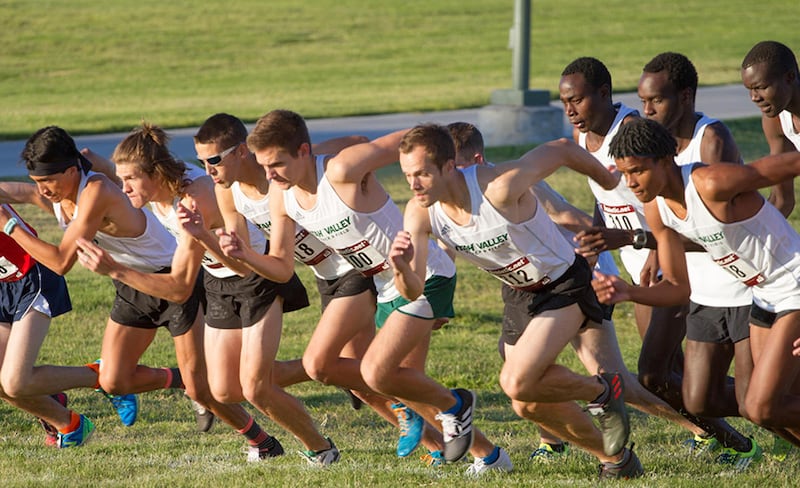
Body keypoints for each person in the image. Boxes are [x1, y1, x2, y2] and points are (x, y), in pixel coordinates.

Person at [243, 109, 510, 475]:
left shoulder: (342, 170)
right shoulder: (282, 196)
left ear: (304, 151)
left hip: (424, 275)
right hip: (385, 287)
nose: (269, 175)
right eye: (263, 166)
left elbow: (408, 139)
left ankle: (457, 405)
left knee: (381, 375)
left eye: (277, 164)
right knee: (395, 385)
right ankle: (490, 456)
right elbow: (282, 266)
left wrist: (449, 165)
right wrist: (241, 254)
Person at [75, 123, 339, 465]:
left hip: (256, 278)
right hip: (218, 282)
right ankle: (327, 368)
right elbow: (128, 171)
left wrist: (116, 270)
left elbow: (181, 287)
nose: (122, 188)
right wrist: (93, 162)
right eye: (120, 178)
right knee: (224, 390)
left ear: (155, 174)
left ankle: (321, 448)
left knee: (255, 388)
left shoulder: (192, 200)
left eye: (129, 180)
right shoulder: (157, 187)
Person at [394, 123, 643, 479]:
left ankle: (604, 391)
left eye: (422, 174)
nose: (414, 185)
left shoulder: (498, 187)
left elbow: (561, 148)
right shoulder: (420, 212)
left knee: (514, 380)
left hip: (564, 284)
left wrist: (608, 180)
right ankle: (615, 458)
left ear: (449, 167)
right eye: (407, 175)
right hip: (521, 295)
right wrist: (402, 268)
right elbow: (413, 290)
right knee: (526, 403)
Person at [193, 113, 441, 462]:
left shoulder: (291, 169)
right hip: (327, 277)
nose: (208, 170)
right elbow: (247, 266)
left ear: (242, 151)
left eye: (214, 159)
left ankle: (426, 407)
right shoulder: (230, 194)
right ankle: (437, 444)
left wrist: (324, 158)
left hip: (356, 270)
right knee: (360, 380)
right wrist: (219, 245)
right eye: (201, 162)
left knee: (329, 366)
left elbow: (357, 144)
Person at [560, 57, 736, 453]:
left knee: (660, 372)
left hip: (674, 257)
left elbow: (669, 199)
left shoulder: (635, 132)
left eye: (578, 100)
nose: (570, 110)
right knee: (667, 371)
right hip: (639, 256)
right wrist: (596, 241)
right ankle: (720, 433)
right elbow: (603, 196)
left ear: (603, 94)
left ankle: (739, 430)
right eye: (565, 102)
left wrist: (654, 245)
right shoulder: (582, 137)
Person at [592, 117, 800, 451]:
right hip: (763, 295)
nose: (630, 182)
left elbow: (785, 165)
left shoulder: (710, 182)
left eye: (638, 170)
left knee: (762, 406)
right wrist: (629, 292)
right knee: (759, 408)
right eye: (624, 173)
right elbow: (678, 288)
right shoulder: (657, 209)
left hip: (793, 285)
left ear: (665, 161)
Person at [0, 126, 209, 446]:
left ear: (71, 171)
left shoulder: (94, 192)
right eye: (37, 181)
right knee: (114, 381)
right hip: (130, 283)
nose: (41, 189)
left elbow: (60, 262)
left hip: (170, 278)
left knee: (206, 388)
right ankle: (180, 380)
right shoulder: (57, 192)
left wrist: (10, 226)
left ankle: (255, 436)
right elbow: (22, 192)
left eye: (47, 181)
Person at [635, 52, 767, 463]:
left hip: (733, 282)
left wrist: (651, 241)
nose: (647, 110)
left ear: (686, 96)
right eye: (643, 101)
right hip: (685, 279)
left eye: (656, 100)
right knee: (655, 376)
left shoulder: (712, 140)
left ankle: (771, 408)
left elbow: (720, 231)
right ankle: (737, 440)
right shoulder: (651, 144)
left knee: (756, 400)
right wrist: (657, 246)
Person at [0, 201, 135, 447]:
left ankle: (104, 376)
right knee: (6, 380)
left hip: (32, 278)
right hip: (4, 286)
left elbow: (23, 210)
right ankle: (69, 424)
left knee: (15, 381)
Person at [740, 40, 800, 217]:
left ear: (789, 77)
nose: (754, 97)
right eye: (750, 89)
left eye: (761, 87)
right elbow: (782, 200)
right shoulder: (776, 120)